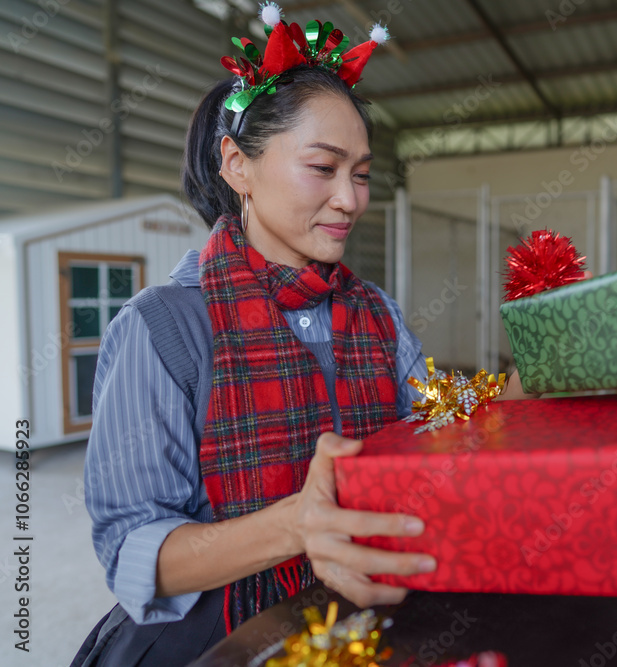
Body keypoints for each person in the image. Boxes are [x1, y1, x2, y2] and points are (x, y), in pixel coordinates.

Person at [71, 6, 532, 665]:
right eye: (324, 167)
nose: (351, 199)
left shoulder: (375, 313)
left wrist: (538, 373)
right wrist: (296, 525)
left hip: (359, 623)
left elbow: (440, 425)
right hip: (223, 636)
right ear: (237, 163)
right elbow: (134, 551)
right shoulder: (162, 327)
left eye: (363, 172)